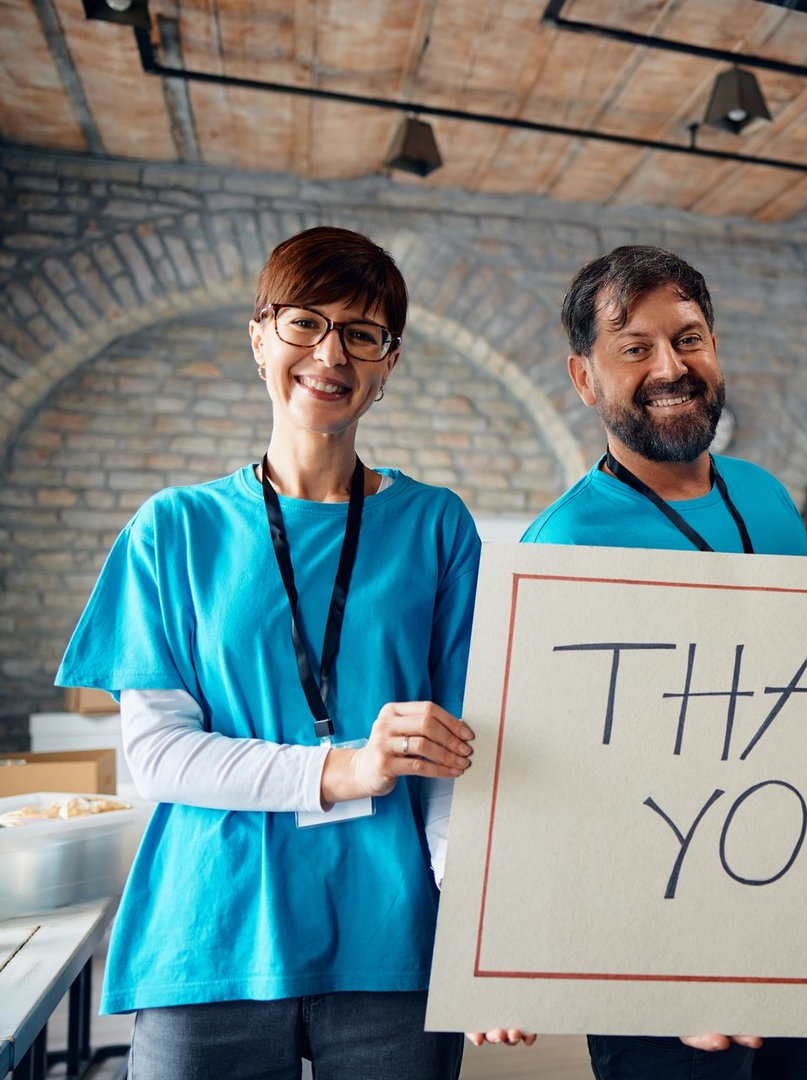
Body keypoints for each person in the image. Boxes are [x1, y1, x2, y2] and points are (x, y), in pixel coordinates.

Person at [55, 226, 530, 1079]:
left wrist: (484, 939)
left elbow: (457, 759)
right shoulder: (174, 529)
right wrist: (342, 769)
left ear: (388, 363)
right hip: (209, 938)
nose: (331, 353)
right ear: (260, 336)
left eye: (362, 333)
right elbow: (159, 755)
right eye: (305, 322)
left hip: (390, 945)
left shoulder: (435, 525)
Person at [522, 244, 807, 1080]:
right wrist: (661, 971)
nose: (670, 368)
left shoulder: (766, 496)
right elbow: (558, 799)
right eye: (634, 348)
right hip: (661, 977)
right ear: (584, 378)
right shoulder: (563, 547)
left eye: (689, 339)